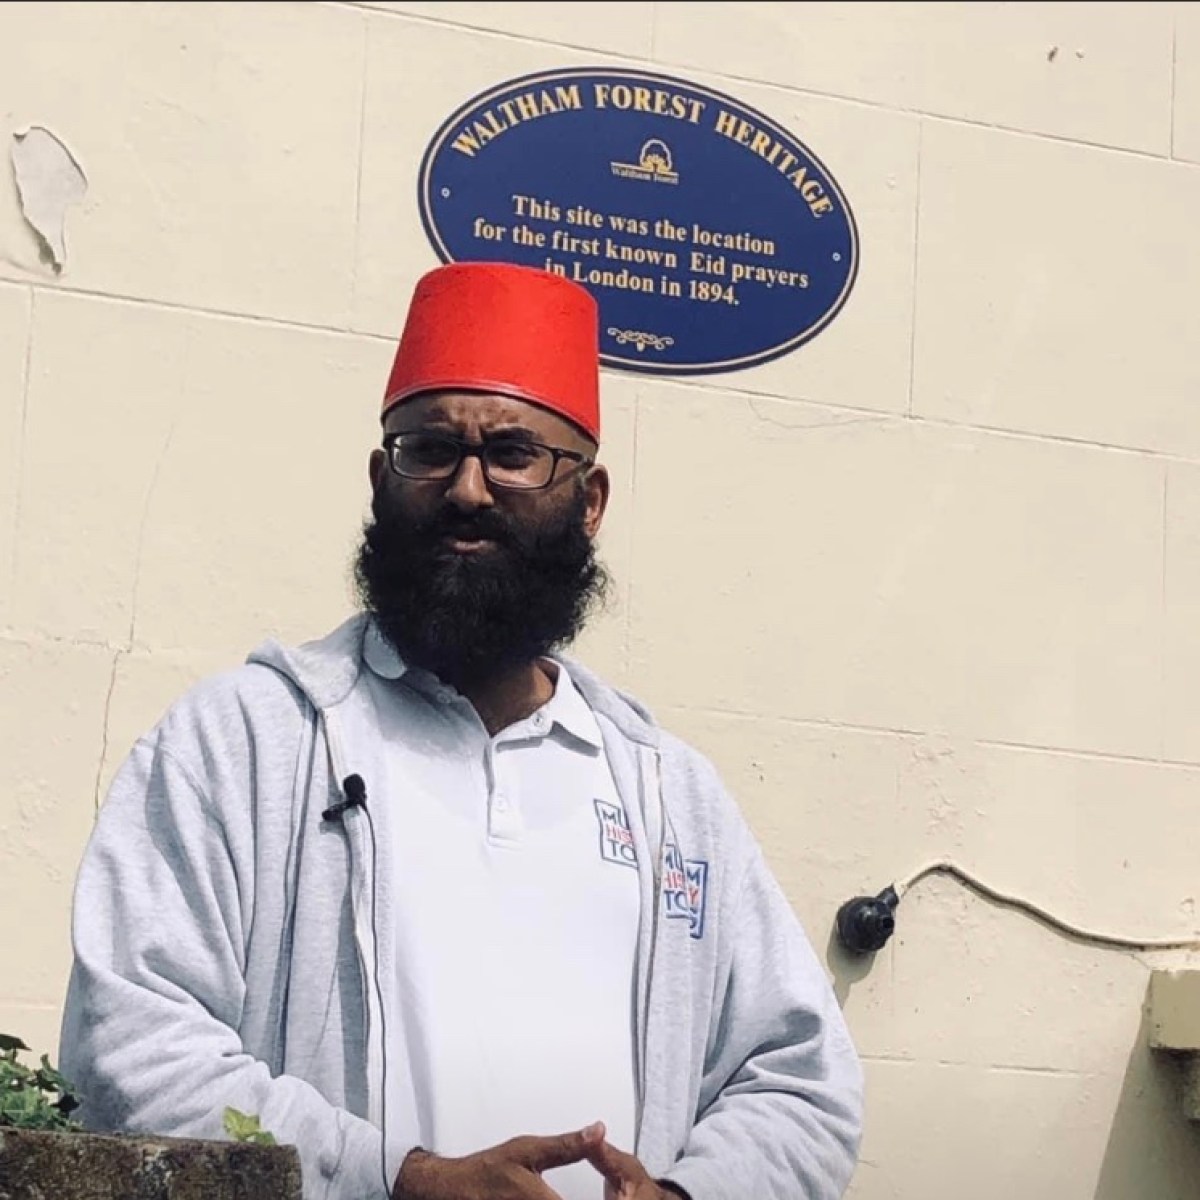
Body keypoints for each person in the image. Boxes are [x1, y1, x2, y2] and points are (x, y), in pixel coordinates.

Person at [59, 261, 864, 1200]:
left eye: (516, 452)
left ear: (590, 501)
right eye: (429, 448)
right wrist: (393, 1180)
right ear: (379, 479)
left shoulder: (671, 796)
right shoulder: (244, 743)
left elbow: (800, 1077)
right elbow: (130, 1037)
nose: (469, 488)